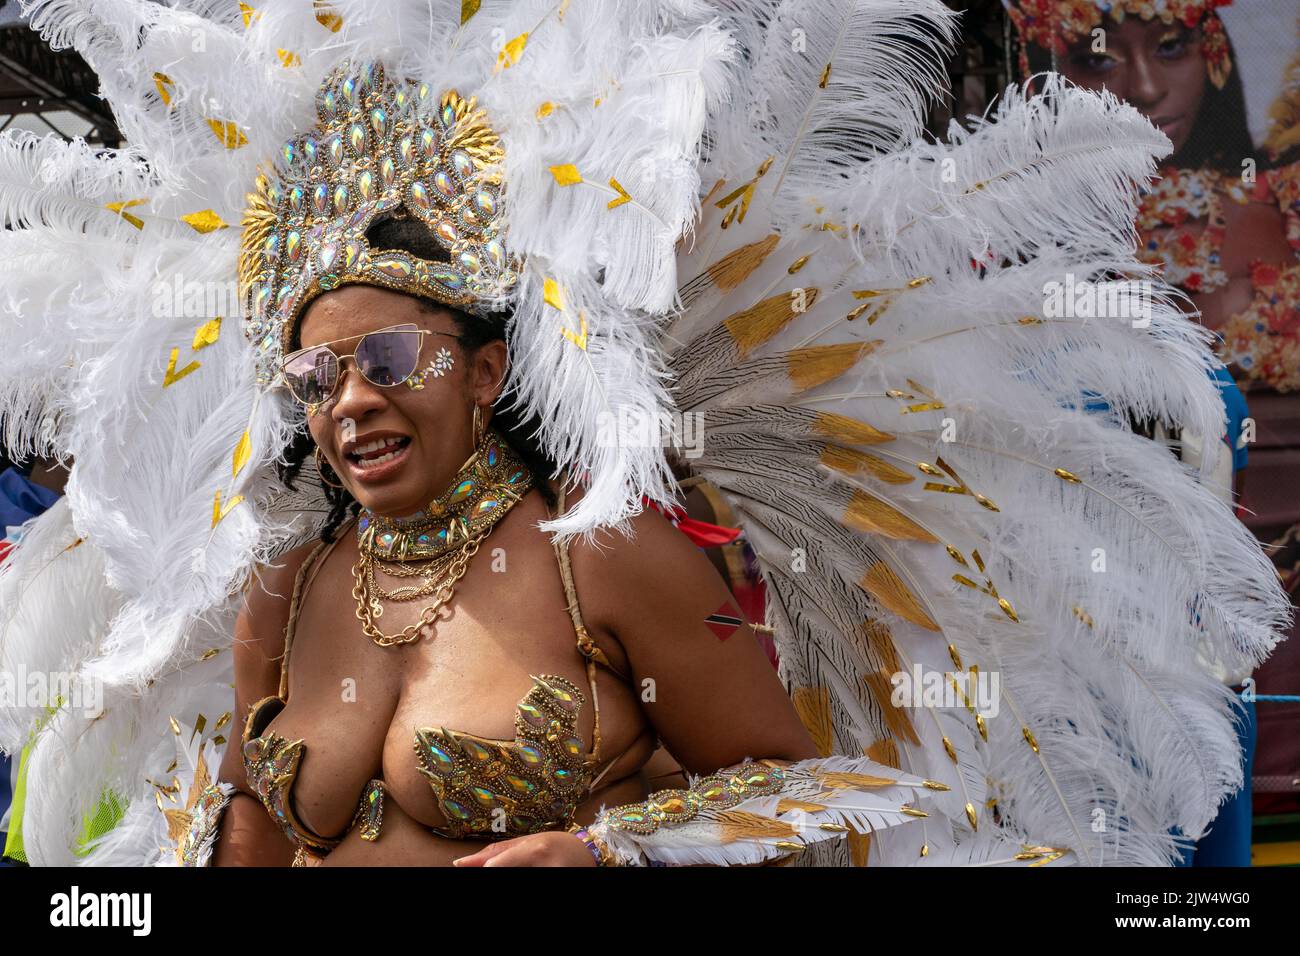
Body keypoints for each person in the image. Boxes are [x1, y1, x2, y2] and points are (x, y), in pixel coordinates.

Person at [0, 0, 1287, 868]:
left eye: (387, 359)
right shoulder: (285, 586)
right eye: (313, 376)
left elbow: (819, 783)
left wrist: (611, 847)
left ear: (486, 366)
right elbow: (252, 833)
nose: (348, 400)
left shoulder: (596, 556)